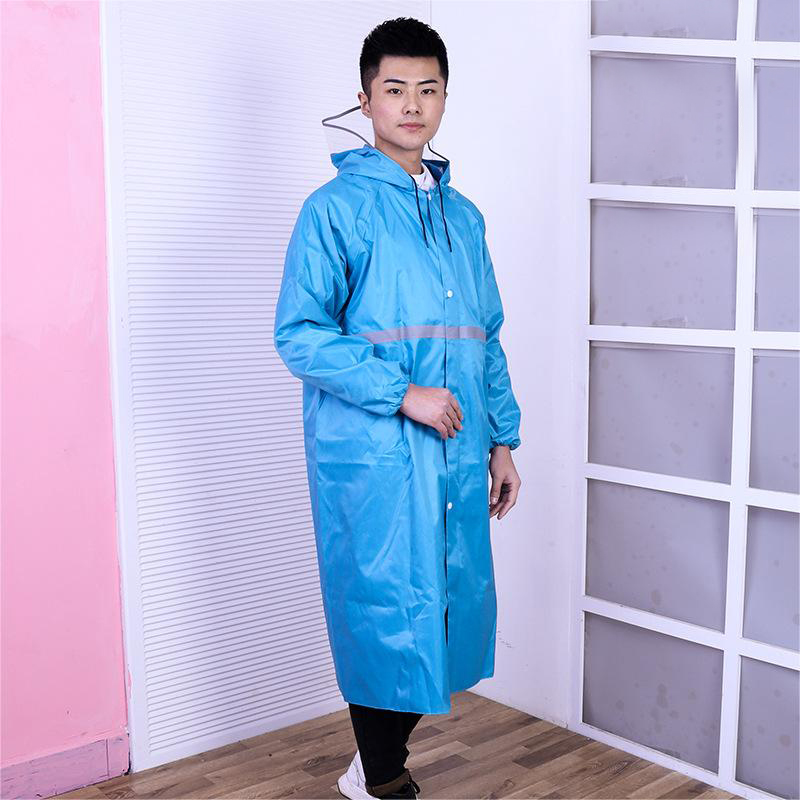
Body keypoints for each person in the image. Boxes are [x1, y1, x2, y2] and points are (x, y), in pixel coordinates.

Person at [273, 17, 522, 799]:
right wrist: (400, 393)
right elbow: (299, 334)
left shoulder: (464, 217)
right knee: (383, 611)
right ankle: (382, 780)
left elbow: (485, 335)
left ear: (444, 98)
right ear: (365, 100)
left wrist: (504, 440)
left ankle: (368, 769)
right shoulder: (333, 210)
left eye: (427, 89)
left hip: (459, 445)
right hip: (374, 450)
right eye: (394, 89)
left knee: (448, 605)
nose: (412, 105)